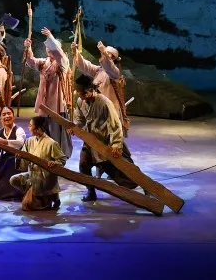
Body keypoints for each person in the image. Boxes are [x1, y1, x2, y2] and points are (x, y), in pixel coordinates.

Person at [72, 76, 140, 202]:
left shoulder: (104, 102)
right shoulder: (81, 101)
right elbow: (79, 119)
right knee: (83, 165)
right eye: (80, 94)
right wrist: (74, 127)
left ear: (89, 91)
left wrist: (116, 144)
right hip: (90, 142)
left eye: (82, 93)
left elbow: (115, 125)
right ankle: (91, 191)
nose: (81, 96)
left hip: (105, 143)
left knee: (121, 172)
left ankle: (143, 184)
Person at [24, 26, 73, 157]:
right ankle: (44, 153)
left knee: (56, 131)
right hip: (45, 103)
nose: (49, 49)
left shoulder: (63, 62)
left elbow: (59, 54)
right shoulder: (43, 62)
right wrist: (28, 47)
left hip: (57, 103)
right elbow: (31, 61)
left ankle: (58, 154)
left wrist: (50, 37)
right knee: (44, 130)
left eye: (51, 47)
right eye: (47, 47)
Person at [9, 116, 67, 211]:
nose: (28, 127)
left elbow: (62, 159)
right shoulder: (29, 141)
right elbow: (24, 160)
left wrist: (55, 163)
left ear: (38, 128)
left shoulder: (51, 143)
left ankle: (51, 194)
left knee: (28, 205)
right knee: (13, 180)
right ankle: (32, 192)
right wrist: (19, 158)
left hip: (45, 177)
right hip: (32, 174)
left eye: (30, 125)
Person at [72, 40, 129, 133]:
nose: (104, 54)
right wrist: (76, 52)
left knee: (108, 134)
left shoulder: (115, 73)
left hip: (109, 111)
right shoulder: (99, 71)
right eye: (105, 52)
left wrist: (104, 52)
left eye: (108, 53)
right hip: (97, 108)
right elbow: (86, 66)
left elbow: (109, 66)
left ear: (113, 58)